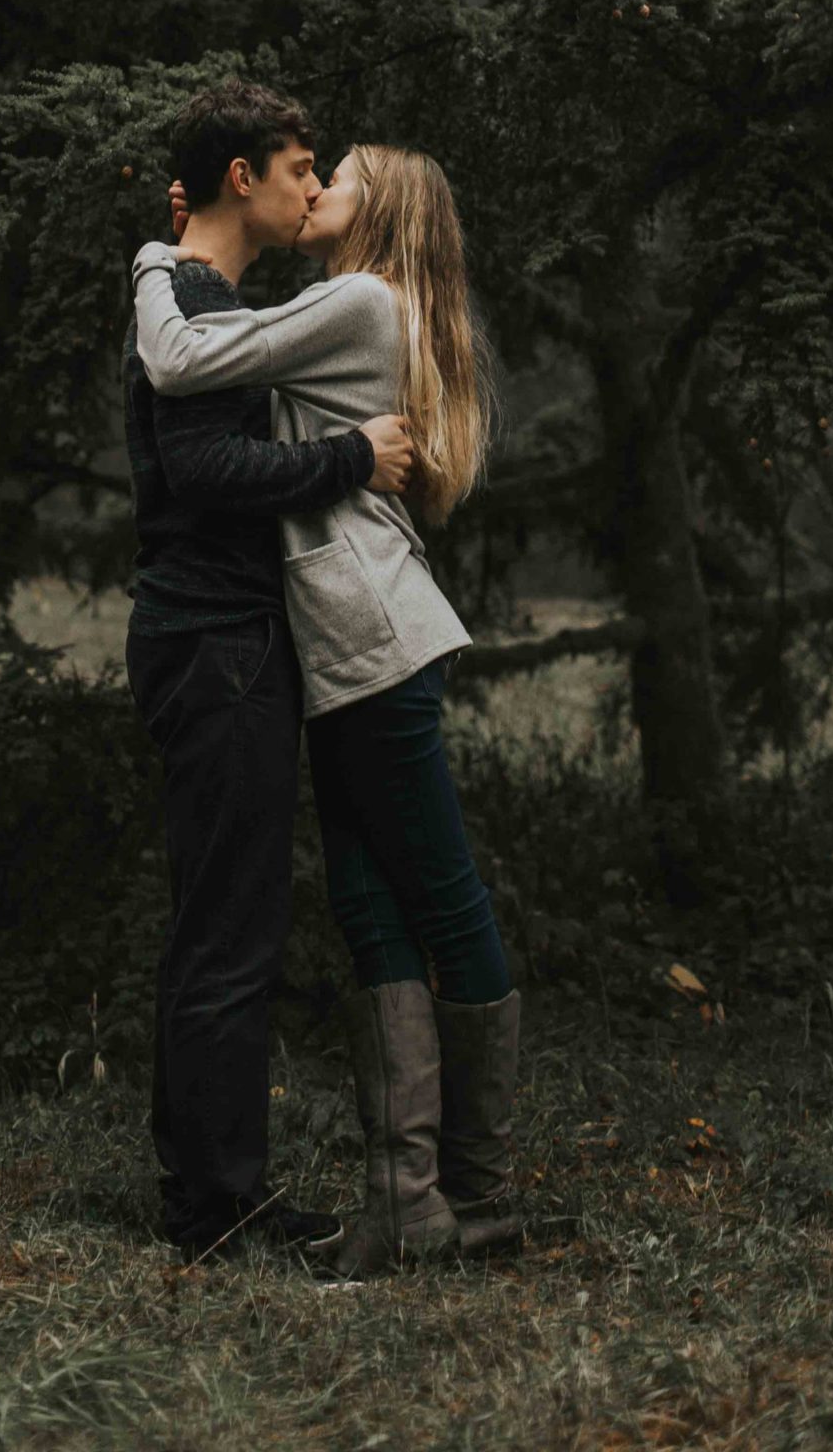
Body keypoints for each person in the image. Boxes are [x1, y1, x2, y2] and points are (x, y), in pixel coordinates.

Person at [132, 139, 522, 1279]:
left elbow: (189, 352)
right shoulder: (364, 302)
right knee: (370, 902)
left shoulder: (358, 297)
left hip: (374, 640)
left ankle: (478, 1192)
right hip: (352, 645)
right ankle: (408, 1203)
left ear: (376, 208)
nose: (316, 189)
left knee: (440, 896)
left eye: (334, 174)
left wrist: (154, 260)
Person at [122, 81, 418, 1266]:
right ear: (243, 177)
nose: (311, 188)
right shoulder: (191, 294)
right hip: (217, 640)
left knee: (220, 918)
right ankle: (217, 1208)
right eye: (299, 167)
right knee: (229, 929)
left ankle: (205, 1188)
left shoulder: (200, 295)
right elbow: (202, 471)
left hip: (216, 637)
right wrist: (352, 456)